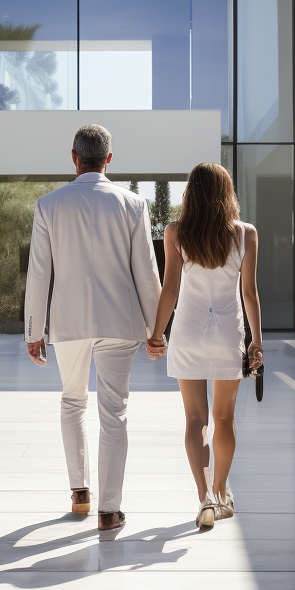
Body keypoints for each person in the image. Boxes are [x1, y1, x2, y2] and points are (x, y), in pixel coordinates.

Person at [24, 124, 162, 532]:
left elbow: (38, 274)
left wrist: (34, 330)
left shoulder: (48, 205)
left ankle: (79, 492)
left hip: (67, 322)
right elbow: (147, 273)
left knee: (71, 402)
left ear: (73, 157)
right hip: (120, 321)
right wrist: (157, 331)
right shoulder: (133, 204)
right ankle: (110, 511)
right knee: (114, 413)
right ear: (109, 158)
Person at [147, 162, 263, 532]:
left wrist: (156, 334)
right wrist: (257, 340)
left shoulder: (176, 232)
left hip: (188, 333)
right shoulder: (246, 234)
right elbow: (249, 293)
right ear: (227, 193)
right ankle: (221, 493)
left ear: (191, 193)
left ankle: (204, 500)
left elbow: (170, 289)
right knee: (224, 419)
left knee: (195, 420)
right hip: (229, 334)